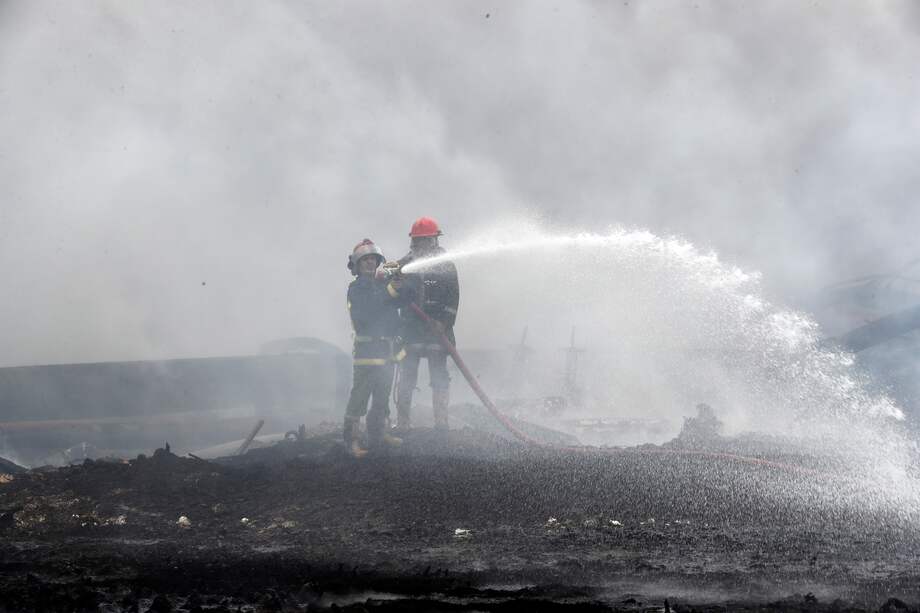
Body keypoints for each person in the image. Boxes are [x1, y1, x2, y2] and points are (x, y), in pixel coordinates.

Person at [394, 217, 460, 431]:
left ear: (435, 241)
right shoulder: (403, 265)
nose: (423, 246)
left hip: (437, 331)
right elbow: (393, 293)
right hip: (411, 330)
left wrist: (444, 322)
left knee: (439, 376)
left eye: (427, 241)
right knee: (407, 377)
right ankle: (403, 423)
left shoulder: (446, 265)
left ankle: (441, 423)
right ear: (413, 242)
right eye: (419, 241)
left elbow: (453, 298)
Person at [342, 239, 404, 457]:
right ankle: (352, 441)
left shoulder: (381, 286)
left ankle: (378, 434)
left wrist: (399, 282)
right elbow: (367, 313)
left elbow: (401, 304)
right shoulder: (356, 289)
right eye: (365, 260)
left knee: (382, 397)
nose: (370, 263)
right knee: (359, 399)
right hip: (367, 355)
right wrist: (389, 290)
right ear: (357, 266)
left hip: (386, 352)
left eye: (373, 260)